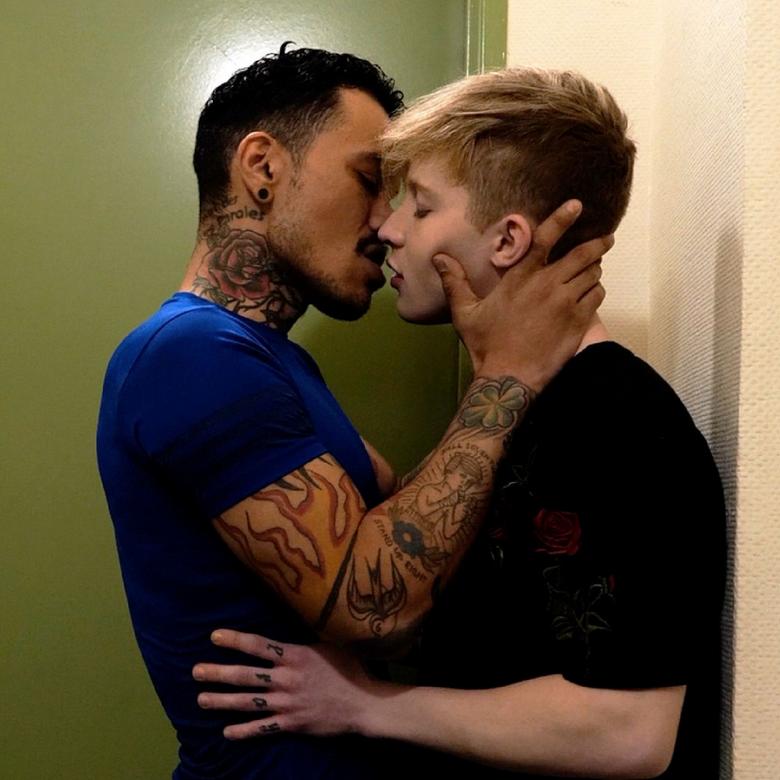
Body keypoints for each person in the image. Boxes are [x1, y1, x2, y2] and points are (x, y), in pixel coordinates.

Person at [192, 68, 726, 779]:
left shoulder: (614, 419)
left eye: (419, 205)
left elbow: (629, 732)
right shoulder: (513, 408)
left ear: (506, 240)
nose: (387, 228)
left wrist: (363, 705)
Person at [96, 46, 608, 779]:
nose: (385, 222)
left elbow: (399, 534)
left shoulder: (268, 361)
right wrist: (509, 372)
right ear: (262, 168)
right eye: (370, 181)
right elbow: (376, 606)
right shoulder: (191, 354)